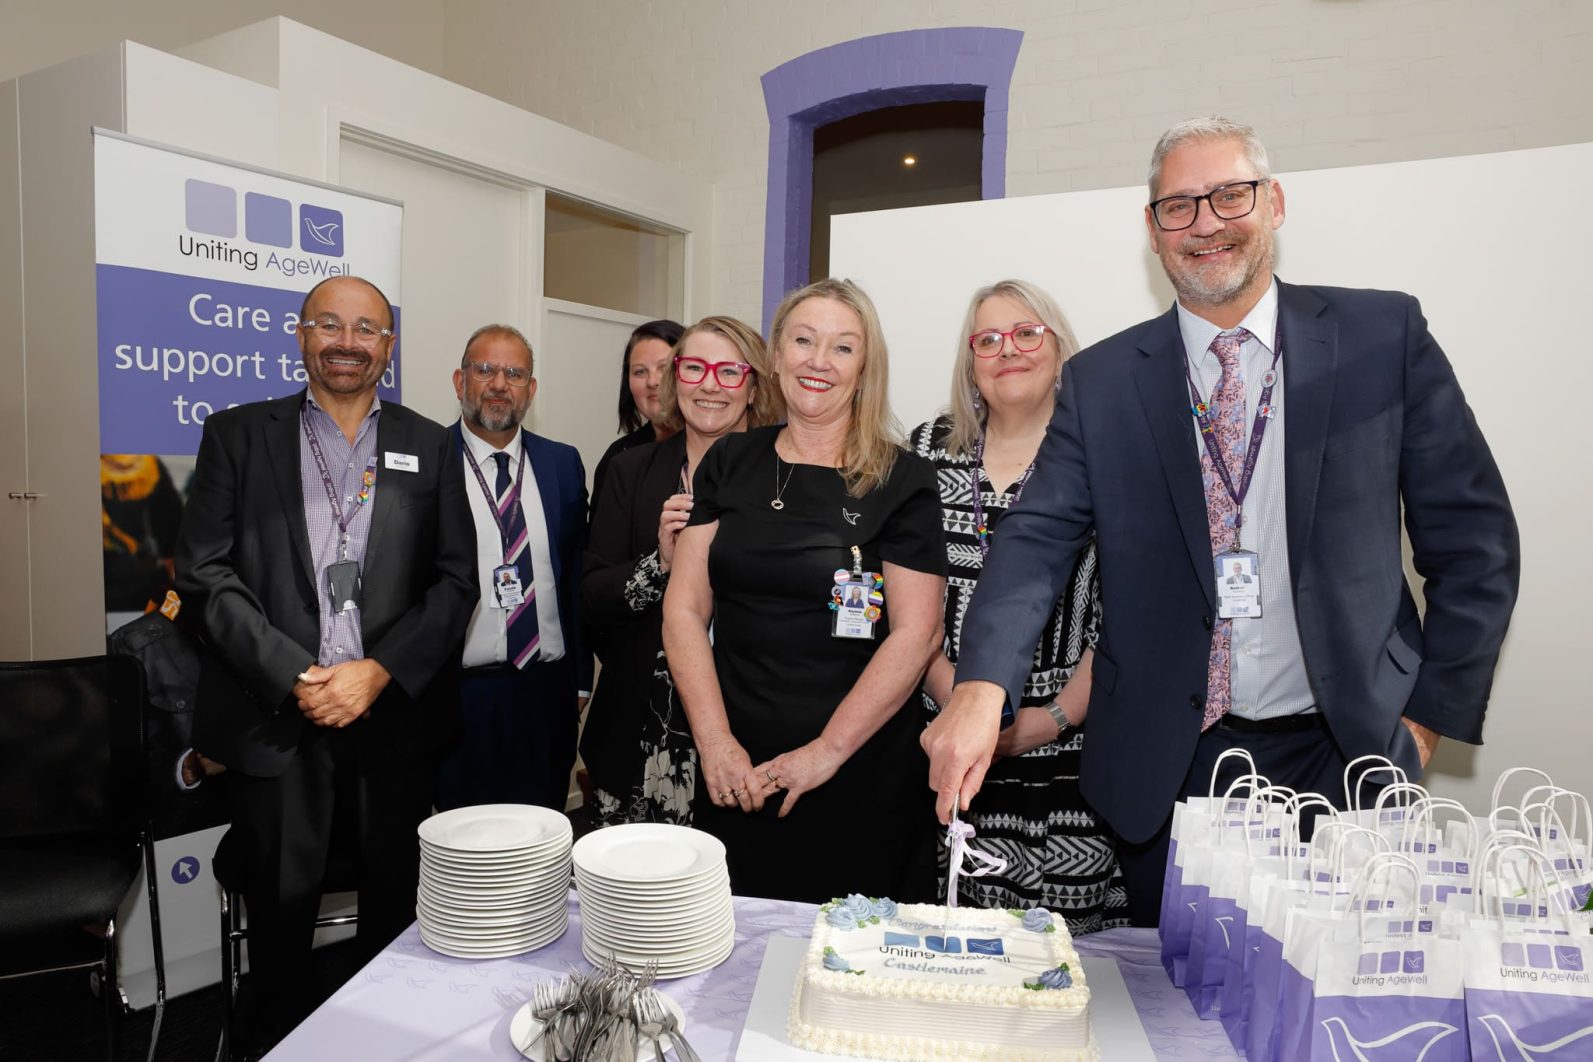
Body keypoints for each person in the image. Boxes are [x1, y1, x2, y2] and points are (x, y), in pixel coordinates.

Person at [923, 116, 1520, 926]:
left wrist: (1426, 722)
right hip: (1171, 770)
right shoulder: (1101, 382)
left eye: (1229, 195)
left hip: (1346, 750)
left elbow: (1473, 541)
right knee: (1176, 1018)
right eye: (1178, 205)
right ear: (1151, 230)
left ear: (1272, 202)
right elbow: (1033, 544)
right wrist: (978, 687)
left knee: (1330, 1017)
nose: (1205, 222)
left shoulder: (1381, 338)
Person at [175, 275, 477, 1043]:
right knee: (279, 924)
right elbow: (203, 575)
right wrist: (293, 674)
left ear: (389, 346)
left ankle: (389, 1043)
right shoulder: (237, 434)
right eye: (330, 325)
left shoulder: (429, 443)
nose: (348, 342)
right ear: (302, 334)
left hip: (391, 719)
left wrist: (375, 672)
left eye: (367, 329)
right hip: (277, 716)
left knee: (393, 912)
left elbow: (454, 581)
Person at [662, 278, 947, 903]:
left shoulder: (902, 479)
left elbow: (917, 632)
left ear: (865, 368)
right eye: (803, 340)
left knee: (854, 979)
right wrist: (714, 743)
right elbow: (684, 608)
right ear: (775, 354)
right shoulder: (729, 461)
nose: (819, 361)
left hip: (859, 772)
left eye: (843, 348)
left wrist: (826, 751)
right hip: (735, 769)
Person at [910, 279, 1128, 934]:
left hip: (1071, 755)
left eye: (1027, 333)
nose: (1008, 350)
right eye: (988, 338)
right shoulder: (923, 452)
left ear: (1059, 348)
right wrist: (959, 701)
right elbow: (905, 600)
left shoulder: (1106, 458)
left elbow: (1125, 614)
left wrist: (1052, 717)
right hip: (938, 739)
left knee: (1058, 965)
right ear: (969, 359)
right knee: (942, 952)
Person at [582, 316, 782, 824]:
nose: (710, 384)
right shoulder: (631, 470)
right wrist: (661, 564)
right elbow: (591, 598)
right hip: (637, 732)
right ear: (676, 379)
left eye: (729, 371)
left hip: (750, 731)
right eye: (694, 368)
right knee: (636, 897)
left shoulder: (784, 479)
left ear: (754, 383)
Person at [437, 324, 591, 812]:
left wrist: (581, 677)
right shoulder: (428, 459)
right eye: (484, 370)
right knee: (465, 843)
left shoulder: (562, 463)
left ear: (531, 389)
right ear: (460, 382)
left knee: (542, 831)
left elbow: (577, 575)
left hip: (547, 690)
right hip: (459, 694)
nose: (499, 384)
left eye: (515, 372)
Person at [590, 319, 685, 509]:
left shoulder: (716, 449)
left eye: (664, 368)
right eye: (640, 372)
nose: (653, 381)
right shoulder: (618, 458)